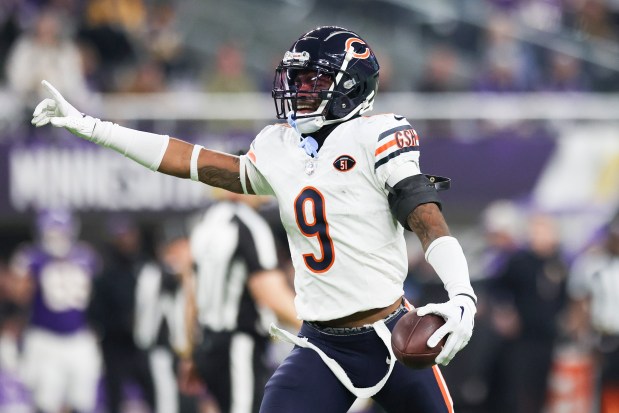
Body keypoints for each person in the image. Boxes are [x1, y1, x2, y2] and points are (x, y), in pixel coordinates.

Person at [31, 25, 477, 413]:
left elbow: (425, 217)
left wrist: (462, 295)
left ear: (352, 88)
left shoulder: (376, 135)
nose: (299, 91)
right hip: (323, 345)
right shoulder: (279, 146)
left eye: (314, 81)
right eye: (297, 80)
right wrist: (93, 127)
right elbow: (190, 160)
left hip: (393, 331)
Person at [186, 189, 300, 413]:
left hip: (207, 344)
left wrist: (189, 352)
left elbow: (191, 294)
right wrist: (315, 327)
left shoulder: (204, 223)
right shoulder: (249, 224)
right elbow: (267, 290)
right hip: (239, 346)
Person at [10, 209, 102, 413]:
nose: (56, 238)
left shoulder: (85, 256)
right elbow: (18, 295)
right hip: (44, 337)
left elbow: (100, 297)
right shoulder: (33, 257)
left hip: (79, 336)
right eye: (52, 233)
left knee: (83, 399)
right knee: (46, 400)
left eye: (60, 232)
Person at [87, 215, 156, 413]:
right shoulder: (106, 273)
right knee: (115, 395)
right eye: (121, 235)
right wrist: (123, 324)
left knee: (154, 392)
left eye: (130, 234)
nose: (127, 239)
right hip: (116, 345)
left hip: (145, 344)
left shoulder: (146, 266)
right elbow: (95, 314)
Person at [567, 211, 619, 412]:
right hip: (602, 336)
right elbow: (579, 301)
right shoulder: (592, 263)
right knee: (599, 389)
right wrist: (581, 336)